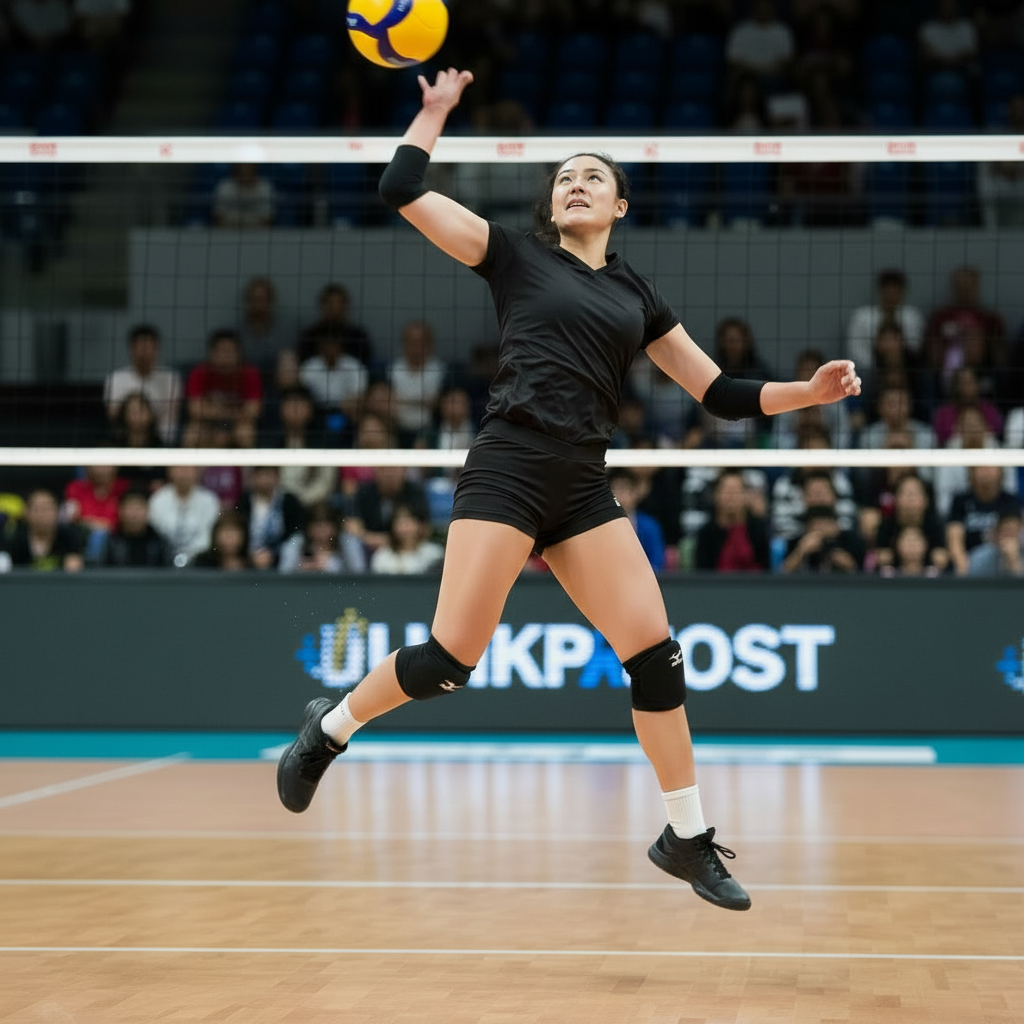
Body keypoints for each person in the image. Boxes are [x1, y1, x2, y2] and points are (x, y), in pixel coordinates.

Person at [275, 68, 861, 913]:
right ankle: (327, 731)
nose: (575, 184)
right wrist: (434, 111)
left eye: (593, 176)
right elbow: (401, 185)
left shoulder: (635, 293)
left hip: (584, 483)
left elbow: (720, 393)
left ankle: (685, 838)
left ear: (619, 207)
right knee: (448, 662)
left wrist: (807, 393)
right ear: (550, 206)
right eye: (563, 178)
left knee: (656, 657)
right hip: (509, 464)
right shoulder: (511, 254)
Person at [183, 329, 263, 449]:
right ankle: (188, 467)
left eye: (230, 351)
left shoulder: (250, 373)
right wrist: (233, 411)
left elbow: (253, 411)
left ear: (239, 353)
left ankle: (248, 468)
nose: (225, 356)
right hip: (209, 423)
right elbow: (195, 410)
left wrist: (213, 409)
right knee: (193, 432)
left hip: (236, 423)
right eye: (221, 351)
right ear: (212, 353)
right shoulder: (199, 372)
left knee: (245, 432)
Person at [104, 324, 182, 444]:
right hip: (123, 440)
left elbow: (170, 419)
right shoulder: (115, 379)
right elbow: (114, 417)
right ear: (131, 348)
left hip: (160, 441)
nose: (144, 352)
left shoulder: (171, 379)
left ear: (157, 348)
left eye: (148, 347)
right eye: (140, 347)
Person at [945, 464, 1021, 574]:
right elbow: (954, 537)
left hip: (1002, 558)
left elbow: (1015, 532)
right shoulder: (961, 501)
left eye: (991, 467)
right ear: (972, 473)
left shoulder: (1010, 501)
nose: (986, 471)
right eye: (981, 468)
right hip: (969, 560)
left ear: (1000, 472)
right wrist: (964, 572)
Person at [845, 269, 924, 371]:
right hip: (870, 370)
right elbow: (855, 349)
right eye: (888, 291)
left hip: (905, 369)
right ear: (880, 291)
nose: (891, 296)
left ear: (902, 292)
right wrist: (878, 366)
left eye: (895, 291)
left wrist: (896, 361)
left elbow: (916, 347)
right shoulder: (862, 317)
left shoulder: (913, 317)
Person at [693, 468, 770, 573]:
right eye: (727, 492)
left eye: (736, 492)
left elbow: (766, 572)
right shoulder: (706, 533)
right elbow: (701, 574)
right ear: (716, 495)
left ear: (745, 496)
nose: (732, 497)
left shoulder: (758, 530)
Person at [148, 465, 221, 565]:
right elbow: (156, 532)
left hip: (200, 558)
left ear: (197, 472)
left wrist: (189, 555)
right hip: (164, 558)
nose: (183, 474)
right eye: (179, 469)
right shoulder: (158, 499)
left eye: (188, 469)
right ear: (170, 472)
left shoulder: (209, 500)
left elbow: (208, 534)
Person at [236, 466, 305, 569]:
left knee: (295, 542)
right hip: (251, 550)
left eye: (269, 475)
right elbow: (241, 529)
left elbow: (295, 530)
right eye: (261, 476)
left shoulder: (289, 500)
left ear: (277, 477)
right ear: (253, 478)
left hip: (280, 549)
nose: (265, 480)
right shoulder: (245, 501)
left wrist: (273, 553)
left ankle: (286, 578)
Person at [389, 319, 448, 436]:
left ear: (429, 345)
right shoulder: (392, 370)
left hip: (432, 430)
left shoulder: (441, 371)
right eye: (411, 342)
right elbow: (389, 403)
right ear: (403, 344)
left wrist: (405, 401)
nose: (415, 347)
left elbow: (438, 403)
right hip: (396, 429)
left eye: (420, 343)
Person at [2, 489, 84, 571]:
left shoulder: (70, 536)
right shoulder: (15, 539)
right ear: (26, 512)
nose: (42, 514)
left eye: (47, 509)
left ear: (57, 511)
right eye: (37, 509)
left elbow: (74, 567)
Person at [278, 502, 366, 574]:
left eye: (326, 527)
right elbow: (284, 572)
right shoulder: (296, 542)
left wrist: (330, 565)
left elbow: (359, 573)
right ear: (308, 528)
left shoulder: (347, 542)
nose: (322, 532)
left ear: (335, 528)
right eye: (317, 526)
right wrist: (301, 567)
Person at [298, 283, 373, 367]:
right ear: (322, 305)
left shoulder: (358, 336)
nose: (335, 307)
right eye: (330, 303)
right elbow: (303, 362)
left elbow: (365, 363)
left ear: (346, 306)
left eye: (339, 303)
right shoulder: (310, 335)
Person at [608, 468, 666, 572]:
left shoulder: (649, 526)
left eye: (624, 490)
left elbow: (657, 562)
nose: (619, 497)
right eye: (614, 490)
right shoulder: (599, 526)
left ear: (635, 493)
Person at [103, 490, 172, 568]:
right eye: (130, 508)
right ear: (120, 511)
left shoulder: (158, 543)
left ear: (147, 511)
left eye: (139, 508)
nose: (134, 514)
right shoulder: (111, 542)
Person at [369, 504, 445, 574]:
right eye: (401, 522)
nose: (405, 528)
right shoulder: (382, 556)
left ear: (420, 525)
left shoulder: (434, 553)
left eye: (410, 522)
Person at [213, 164, 275, 228]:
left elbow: (267, 221)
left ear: (255, 168)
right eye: (241, 169)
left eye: (248, 168)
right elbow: (218, 220)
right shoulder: (224, 187)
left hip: (258, 234)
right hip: (228, 233)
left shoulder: (265, 187)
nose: (244, 172)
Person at [968, 510, 1024, 576]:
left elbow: (1019, 585)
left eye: (1013, 532)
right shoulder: (979, 556)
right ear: (996, 533)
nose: (1009, 538)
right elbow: (972, 584)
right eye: (1006, 531)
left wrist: (1013, 561)